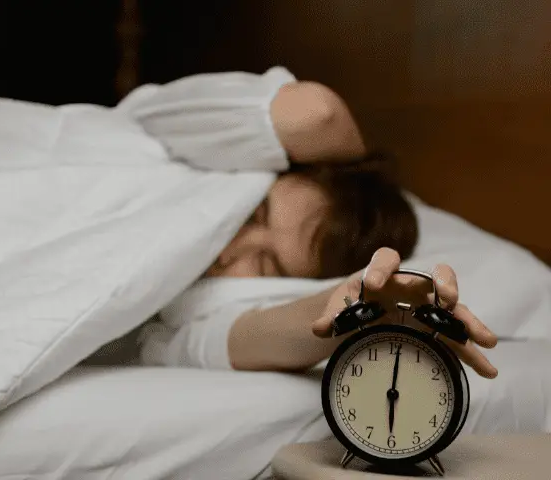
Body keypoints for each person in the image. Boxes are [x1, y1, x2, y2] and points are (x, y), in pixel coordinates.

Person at [128, 67, 499, 380]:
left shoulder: (196, 321)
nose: (229, 251)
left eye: (263, 264)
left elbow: (255, 335)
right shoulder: (163, 155)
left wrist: (367, 312)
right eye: (251, 214)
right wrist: (353, 170)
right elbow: (317, 114)